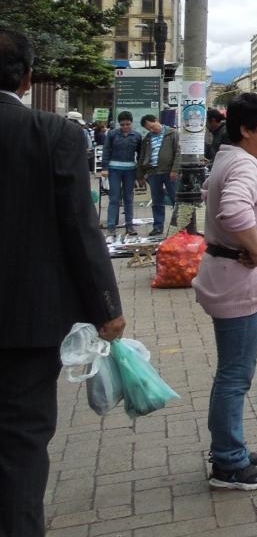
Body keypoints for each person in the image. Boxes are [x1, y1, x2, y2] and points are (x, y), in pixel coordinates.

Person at [0, 28, 125, 535]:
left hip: (29, 320)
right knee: (20, 441)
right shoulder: (53, 134)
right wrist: (106, 308)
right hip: (28, 319)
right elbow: (79, 227)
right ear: (28, 79)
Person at [192, 92, 257, 491]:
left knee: (233, 373)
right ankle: (229, 463)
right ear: (246, 130)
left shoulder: (233, 158)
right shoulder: (244, 164)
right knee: (234, 376)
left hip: (231, 276)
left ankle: (232, 450)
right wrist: (256, 249)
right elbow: (233, 210)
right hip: (239, 279)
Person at [100, 110, 143, 241]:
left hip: (130, 170)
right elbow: (106, 150)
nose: (125, 127)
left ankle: (129, 226)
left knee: (129, 198)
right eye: (122, 124)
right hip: (114, 170)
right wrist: (104, 168)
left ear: (131, 123)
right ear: (119, 124)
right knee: (114, 198)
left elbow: (140, 155)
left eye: (127, 124)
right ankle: (111, 227)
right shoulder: (112, 134)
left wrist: (140, 172)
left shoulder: (137, 136)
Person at [139, 113, 179, 236]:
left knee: (175, 199)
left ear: (156, 120)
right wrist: (141, 175)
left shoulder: (172, 133)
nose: (152, 130)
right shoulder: (147, 138)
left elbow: (178, 152)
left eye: (152, 127)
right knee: (157, 201)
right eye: (149, 129)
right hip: (153, 172)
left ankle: (180, 226)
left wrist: (175, 169)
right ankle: (158, 226)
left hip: (169, 172)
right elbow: (142, 157)